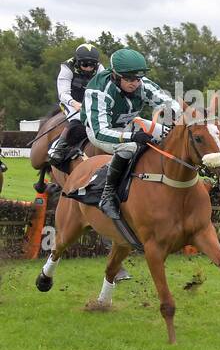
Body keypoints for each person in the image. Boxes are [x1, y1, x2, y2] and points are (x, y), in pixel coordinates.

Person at [81, 48, 181, 221]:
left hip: (130, 124)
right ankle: (107, 196)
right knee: (131, 147)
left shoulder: (142, 84)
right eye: (128, 79)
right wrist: (131, 137)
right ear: (115, 75)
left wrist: (171, 112)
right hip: (101, 131)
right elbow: (100, 132)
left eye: (137, 79)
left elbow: (169, 101)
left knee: (172, 134)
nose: (134, 83)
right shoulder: (98, 91)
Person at [46, 43, 103, 170]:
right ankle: (58, 147)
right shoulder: (67, 68)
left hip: (90, 101)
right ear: (77, 62)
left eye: (92, 65)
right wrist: (75, 103)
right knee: (78, 119)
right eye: (85, 64)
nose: (88, 68)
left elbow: (104, 90)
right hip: (70, 101)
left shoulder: (100, 69)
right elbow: (63, 93)